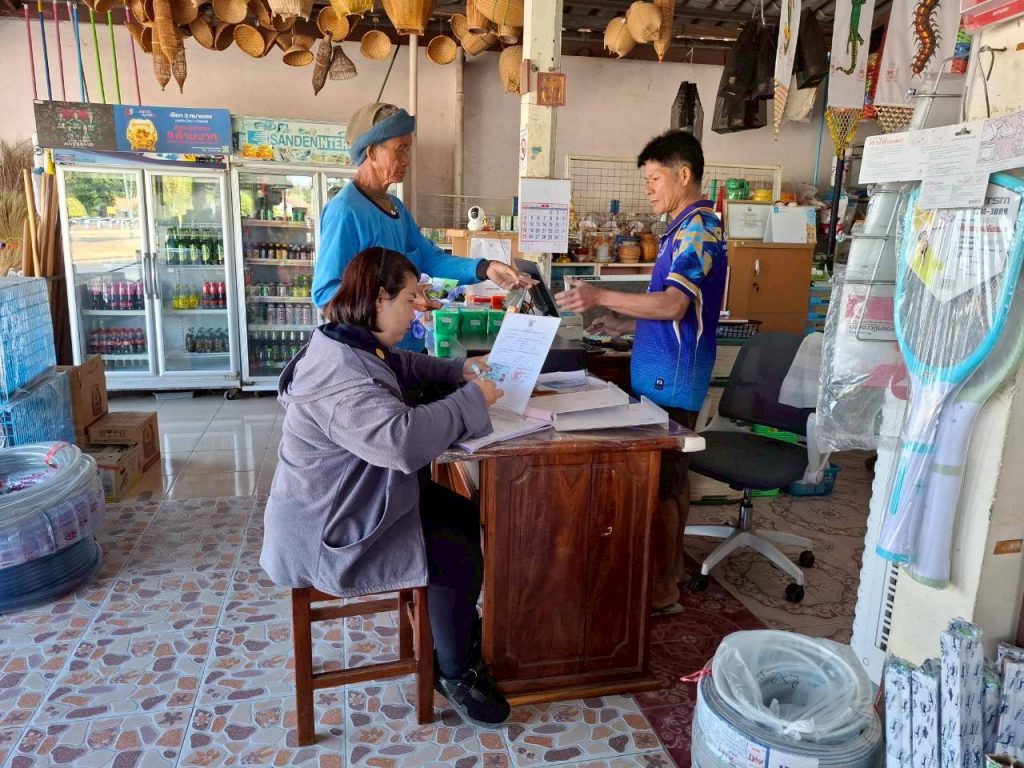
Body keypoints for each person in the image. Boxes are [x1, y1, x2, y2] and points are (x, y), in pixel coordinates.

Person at [260, 246, 512, 727]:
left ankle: (454, 632)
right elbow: (402, 443)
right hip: (331, 530)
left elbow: (397, 366)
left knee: (461, 515)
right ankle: (456, 673)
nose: (418, 308)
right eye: (410, 298)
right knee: (455, 550)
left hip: (355, 500)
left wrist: (459, 370)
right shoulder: (340, 374)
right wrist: (472, 401)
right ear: (379, 298)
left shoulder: (349, 343)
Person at [555, 130, 728, 615]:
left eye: (654, 178)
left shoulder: (699, 229)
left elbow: (673, 305)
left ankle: (663, 589)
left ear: (683, 175)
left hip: (674, 373)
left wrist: (598, 295)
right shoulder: (682, 228)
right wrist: (624, 322)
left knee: (665, 482)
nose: (648, 188)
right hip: (659, 367)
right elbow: (673, 310)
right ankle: (666, 575)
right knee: (666, 478)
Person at [314, 102, 530, 350]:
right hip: (371, 355)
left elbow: (430, 258)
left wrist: (485, 268)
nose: (407, 160)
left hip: (405, 350)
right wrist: (393, 300)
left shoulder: (395, 207)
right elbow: (326, 295)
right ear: (372, 152)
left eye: (408, 150)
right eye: (400, 150)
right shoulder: (345, 211)